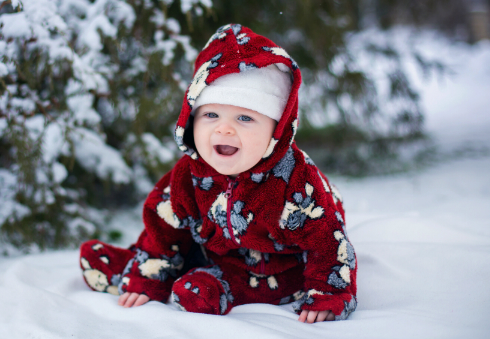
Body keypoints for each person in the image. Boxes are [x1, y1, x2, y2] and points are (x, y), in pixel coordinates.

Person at [79, 24, 357, 323]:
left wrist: (328, 294)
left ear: (276, 131)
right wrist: (150, 277)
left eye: (245, 117)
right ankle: (142, 268)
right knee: (165, 246)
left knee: (213, 286)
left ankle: (216, 287)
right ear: (192, 119)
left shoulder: (295, 181)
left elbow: (327, 241)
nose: (224, 128)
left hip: (276, 270)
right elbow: (165, 225)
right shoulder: (189, 173)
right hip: (210, 249)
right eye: (211, 115)